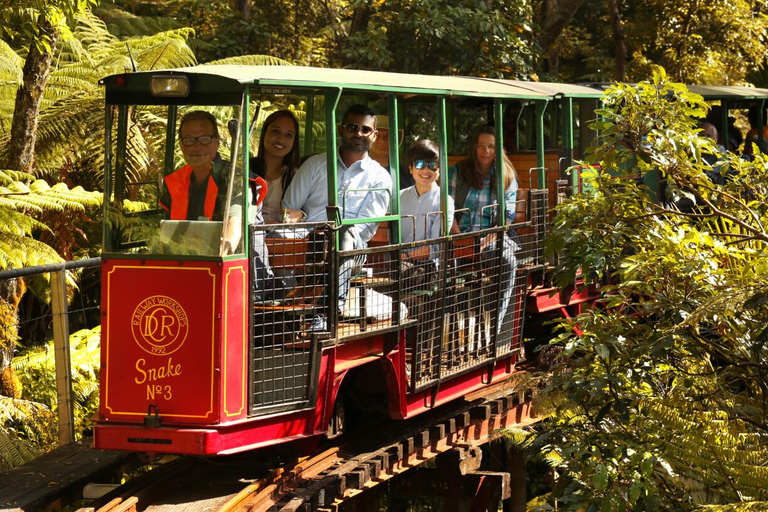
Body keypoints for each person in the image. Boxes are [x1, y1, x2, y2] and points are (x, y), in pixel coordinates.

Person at [282, 104, 392, 330]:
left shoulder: (379, 176)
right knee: (275, 234)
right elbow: (289, 208)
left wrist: (334, 233)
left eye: (365, 129)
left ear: (374, 135)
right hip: (309, 241)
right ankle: (270, 304)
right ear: (341, 130)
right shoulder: (316, 165)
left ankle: (327, 311)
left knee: (345, 232)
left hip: (352, 250)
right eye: (352, 127)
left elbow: (366, 228)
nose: (358, 133)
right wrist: (304, 219)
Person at [448, 125, 518, 335]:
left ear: (499, 150)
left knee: (507, 262)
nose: (486, 151)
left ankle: (496, 328)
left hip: (491, 238)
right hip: (460, 236)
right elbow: (447, 206)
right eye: (481, 146)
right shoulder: (457, 171)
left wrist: (491, 237)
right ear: (473, 147)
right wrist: (459, 237)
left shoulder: (506, 175)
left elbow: (507, 215)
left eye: (491, 146)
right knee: (439, 267)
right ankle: (443, 329)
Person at [159, 110, 228, 221]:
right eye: (189, 140)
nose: (196, 146)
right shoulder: (174, 182)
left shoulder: (233, 177)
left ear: (217, 142)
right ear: (181, 144)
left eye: (204, 139)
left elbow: (238, 224)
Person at [399, 139, 454, 272]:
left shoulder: (444, 201)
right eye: (419, 164)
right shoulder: (398, 198)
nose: (426, 169)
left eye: (433, 165)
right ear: (410, 168)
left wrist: (405, 256)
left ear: (439, 170)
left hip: (428, 267)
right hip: (396, 263)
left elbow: (437, 247)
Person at [250, 110, 301, 223]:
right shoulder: (247, 169)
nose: (281, 139)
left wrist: (301, 214)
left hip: (281, 238)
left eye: (288, 135)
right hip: (249, 235)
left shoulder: (296, 175)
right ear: (264, 133)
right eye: (275, 131)